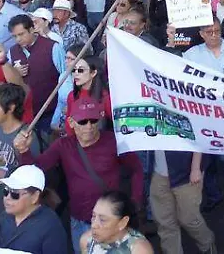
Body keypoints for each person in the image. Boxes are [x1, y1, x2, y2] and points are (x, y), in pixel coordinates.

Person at [14, 98, 145, 252]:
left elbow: (136, 169)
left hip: (111, 221)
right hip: (80, 221)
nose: (89, 126)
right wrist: (24, 151)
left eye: (93, 120)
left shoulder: (113, 141)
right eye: (83, 122)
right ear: (71, 122)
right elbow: (33, 171)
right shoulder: (63, 145)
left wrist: (135, 201)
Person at [0, 83, 40, 222]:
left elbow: (35, 175)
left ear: (11, 108)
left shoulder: (27, 137)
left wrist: (4, 175)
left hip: (18, 214)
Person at [80, 190, 155, 254]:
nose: (94, 225)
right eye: (93, 216)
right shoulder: (87, 241)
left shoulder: (139, 250)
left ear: (123, 223)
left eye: (102, 220)